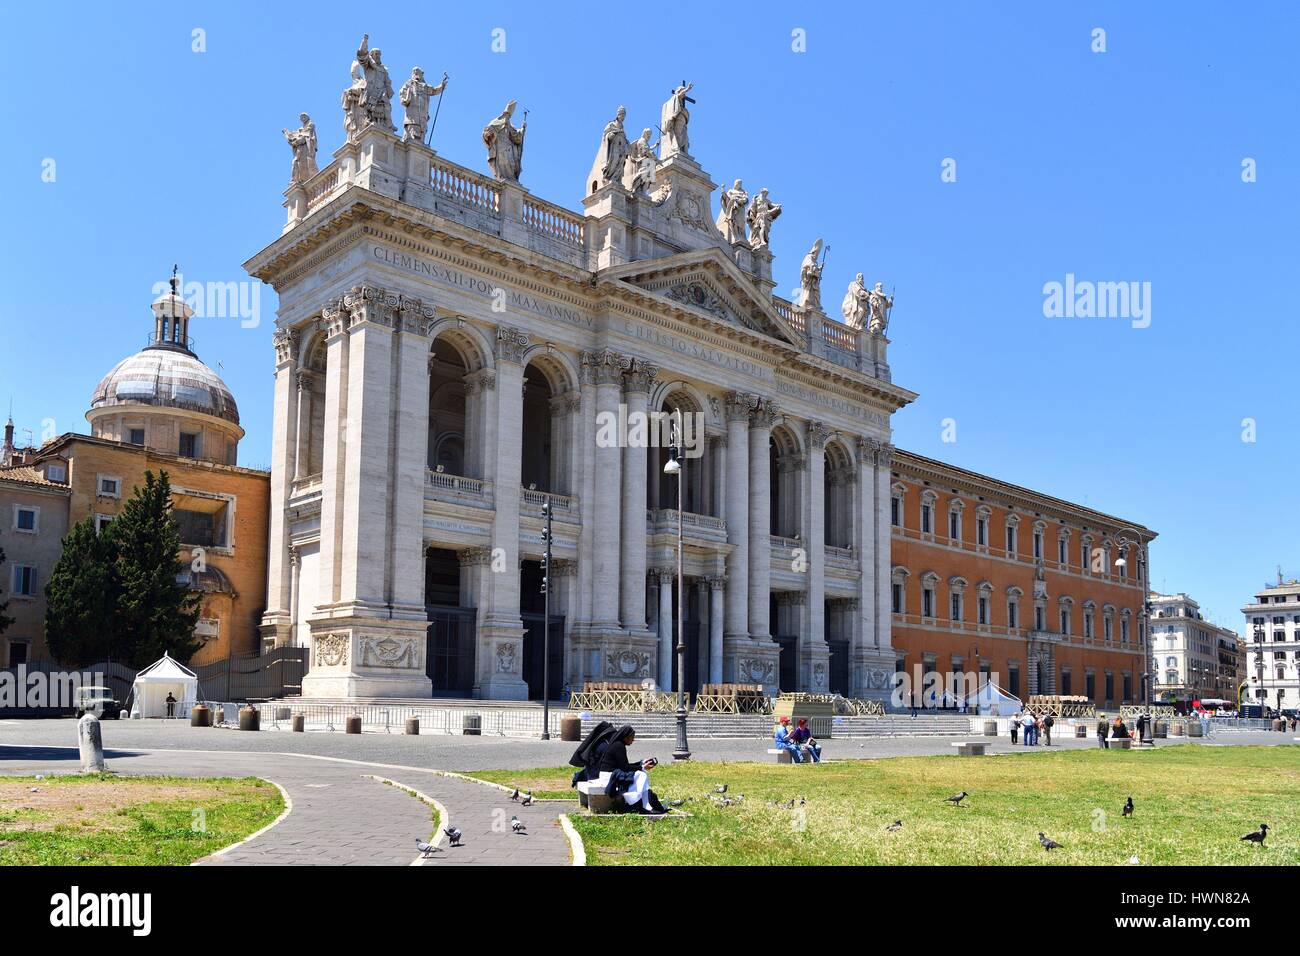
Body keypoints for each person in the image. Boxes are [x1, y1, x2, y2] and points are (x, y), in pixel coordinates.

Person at [597, 725, 665, 815]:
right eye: (632, 738)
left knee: (642, 773)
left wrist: (640, 763)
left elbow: (623, 765)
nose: (633, 740)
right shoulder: (618, 746)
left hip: (610, 774)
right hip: (609, 776)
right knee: (642, 774)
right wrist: (642, 767)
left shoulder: (617, 744)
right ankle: (640, 803)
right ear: (626, 737)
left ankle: (646, 804)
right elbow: (625, 767)